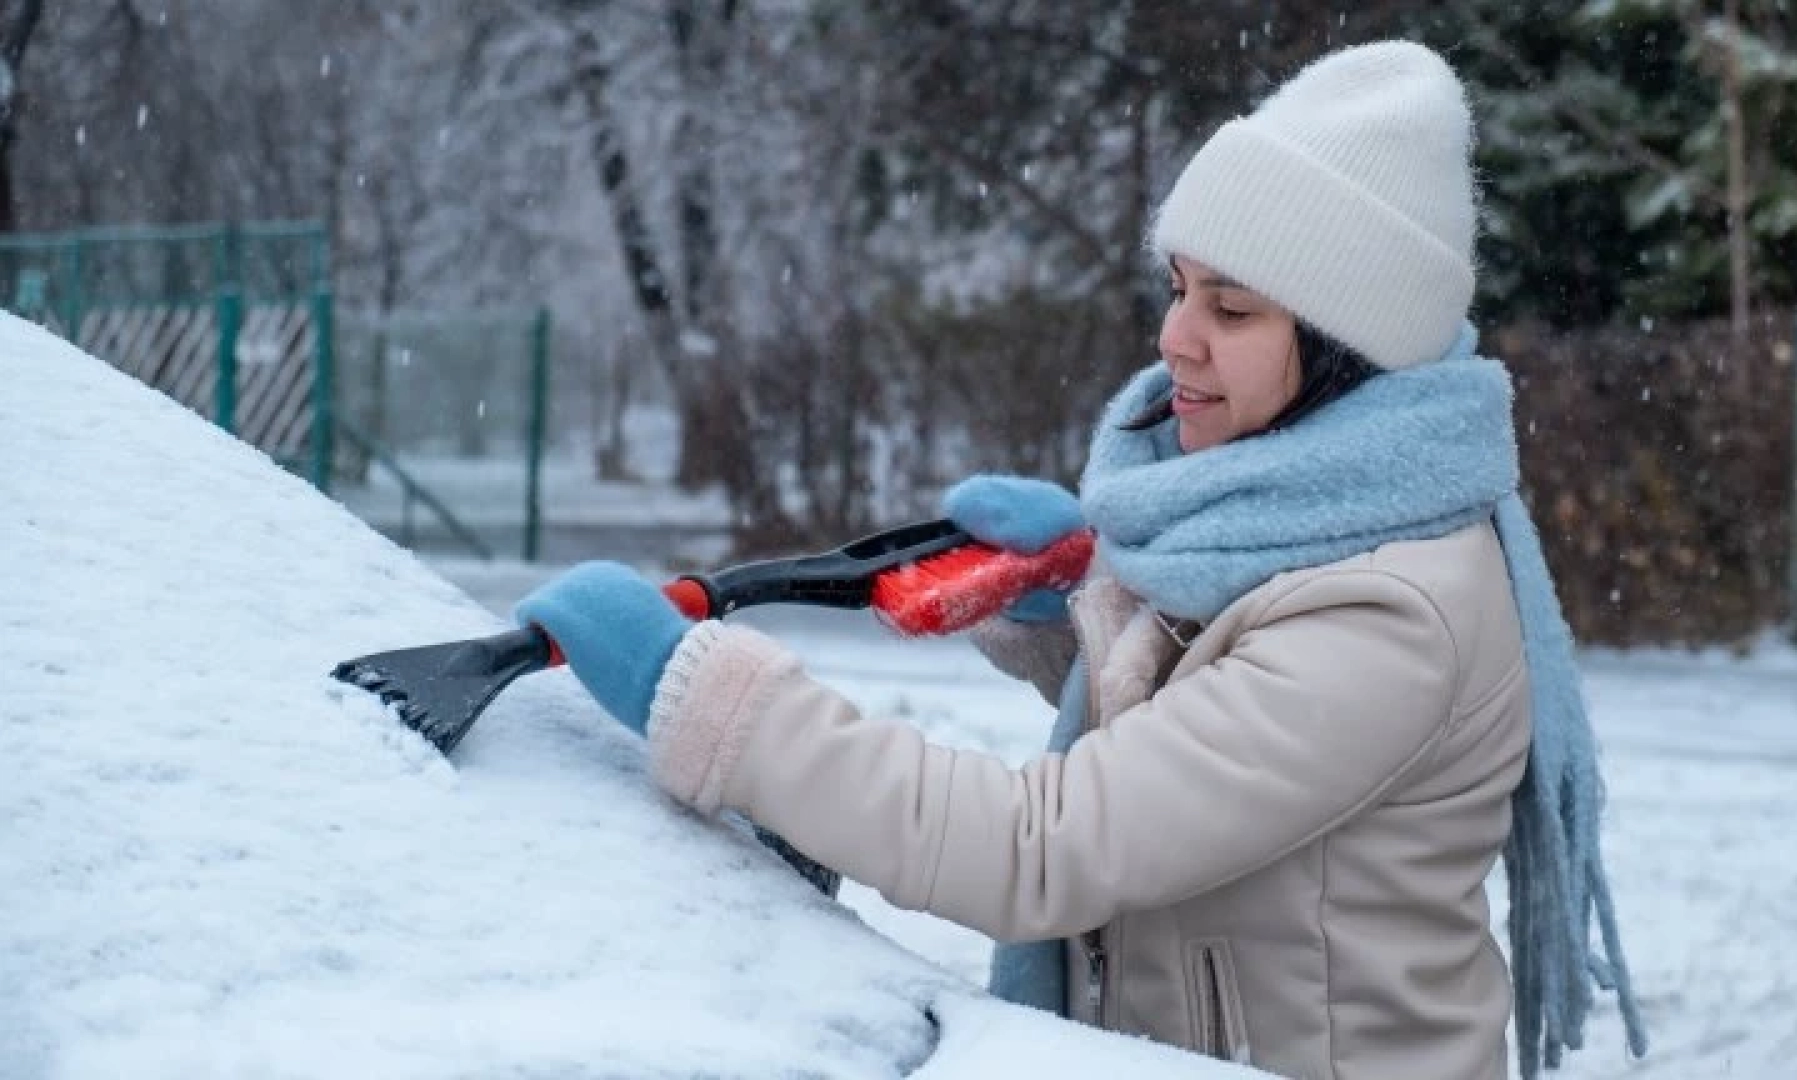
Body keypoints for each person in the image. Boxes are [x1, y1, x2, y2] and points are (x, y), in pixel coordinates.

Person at [514, 39, 1647, 1080]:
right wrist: (1093, 613)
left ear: (1352, 351)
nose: (1174, 338)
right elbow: (1225, 744)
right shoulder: (1304, 518)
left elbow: (1038, 848)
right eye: (1179, 287)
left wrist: (711, 705)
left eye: (1233, 308)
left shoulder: (1389, 614)